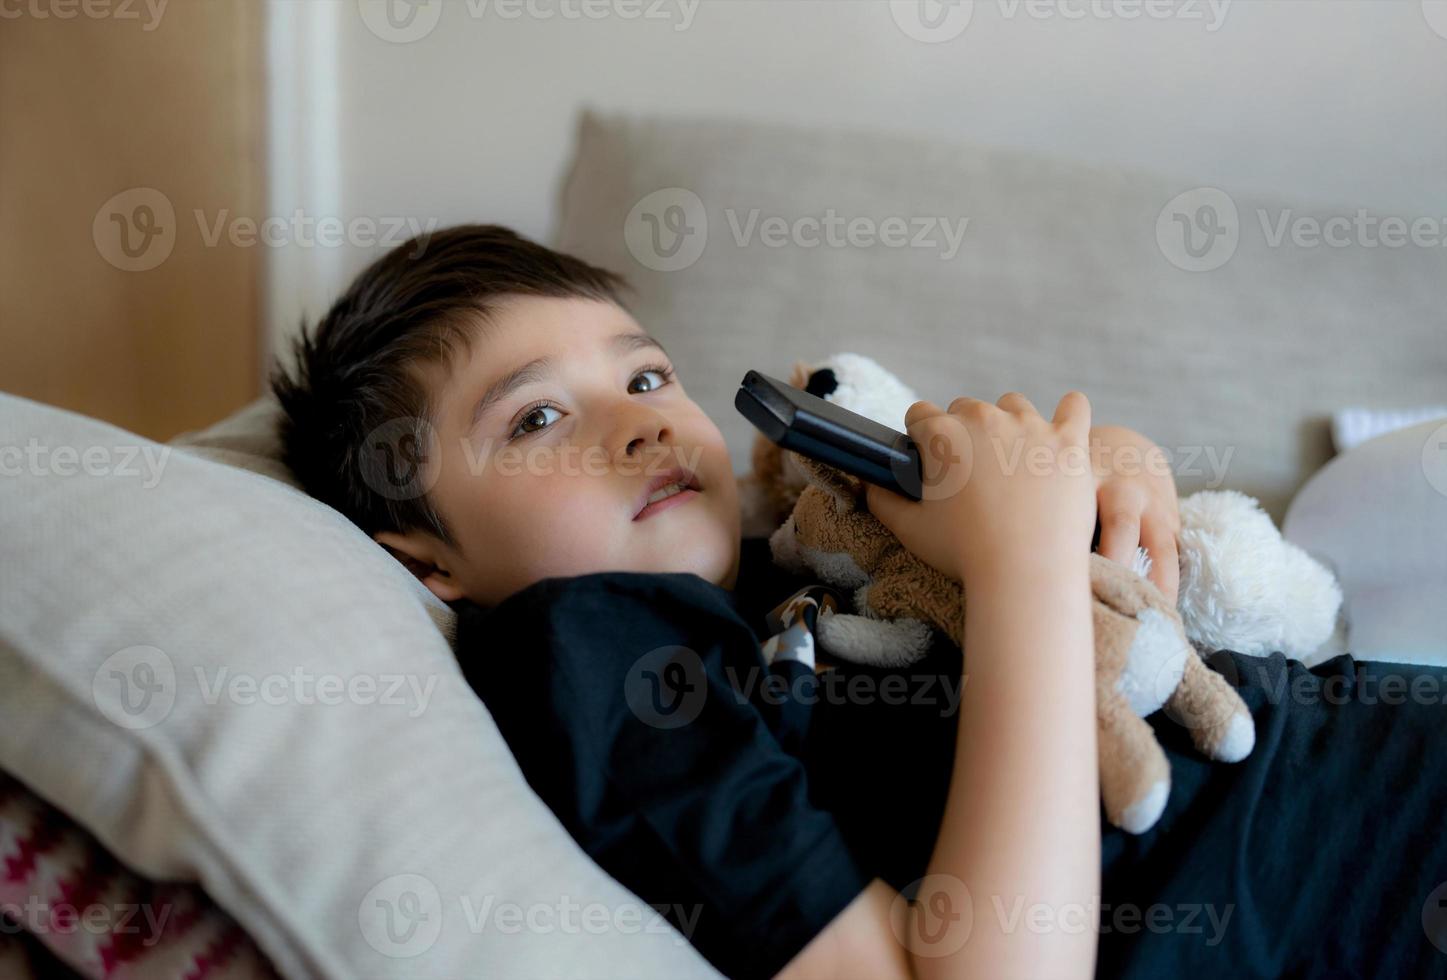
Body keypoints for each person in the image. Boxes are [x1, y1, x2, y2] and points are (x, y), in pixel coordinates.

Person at [272, 224, 1447, 979]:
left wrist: (1111, 486)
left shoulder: (787, 559)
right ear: (429, 561)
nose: (639, 418)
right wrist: (1020, 557)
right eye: (535, 416)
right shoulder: (592, 647)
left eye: (642, 374)